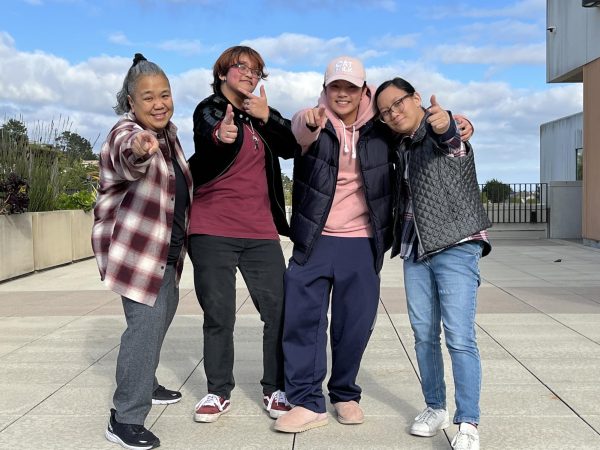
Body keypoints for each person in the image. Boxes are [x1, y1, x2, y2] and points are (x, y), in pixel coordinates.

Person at [272, 56, 395, 434]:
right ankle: (308, 400)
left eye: (350, 88)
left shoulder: (382, 129)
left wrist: (457, 126)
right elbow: (298, 129)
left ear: (364, 91)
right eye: (335, 87)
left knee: (354, 325)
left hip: (362, 242)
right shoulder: (314, 120)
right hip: (315, 239)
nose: (342, 94)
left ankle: (344, 393)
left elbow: (416, 127)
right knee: (303, 321)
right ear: (325, 90)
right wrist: (308, 122)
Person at [374, 77, 491, 450]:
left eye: (398, 103)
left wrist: (450, 124)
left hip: (456, 245)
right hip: (415, 249)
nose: (394, 113)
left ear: (417, 98)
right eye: (385, 111)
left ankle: (468, 421)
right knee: (424, 336)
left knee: (459, 337)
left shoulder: (441, 127)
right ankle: (434, 406)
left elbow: (453, 142)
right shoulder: (401, 144)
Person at [187, 45, 299, 423]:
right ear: (222, 73)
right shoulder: (209, 109)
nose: (250, 75)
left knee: (279, 310)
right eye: (241, 68)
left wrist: (269, 117)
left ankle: (275, 388)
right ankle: (218, 391)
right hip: (211, 229)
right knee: (219, 314)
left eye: (256, 71)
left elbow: (293, 147)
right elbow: (208, 135)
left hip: (260, 231)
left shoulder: (263, 116)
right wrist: (223, 134)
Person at [92, 53, 193, 450]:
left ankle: (145, 382)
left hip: (167, 253)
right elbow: (126, 153)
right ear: (131, 102)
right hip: (139, 255)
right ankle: (124, 418)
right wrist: (139, 146)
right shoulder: (127, 131)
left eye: (164, 94)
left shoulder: (170, 136)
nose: (159, 103)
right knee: (144, 329)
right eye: (148, 97)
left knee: (160, 319)